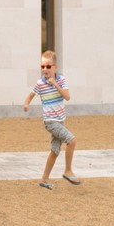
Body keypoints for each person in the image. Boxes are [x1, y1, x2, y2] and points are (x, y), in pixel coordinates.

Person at [23, 50, 79, 189]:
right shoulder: (40, 83)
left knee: (55, 151)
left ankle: (45, 179)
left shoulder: (61, 80)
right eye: (42, 67)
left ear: (55, 66)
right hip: (50, 122)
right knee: (72, 141)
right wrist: (26, 104)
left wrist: (55, 84)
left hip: (60, 121)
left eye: (48, 66)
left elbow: (67, 97)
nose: (45, 69)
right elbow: (30, 96)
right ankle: (68, 170)